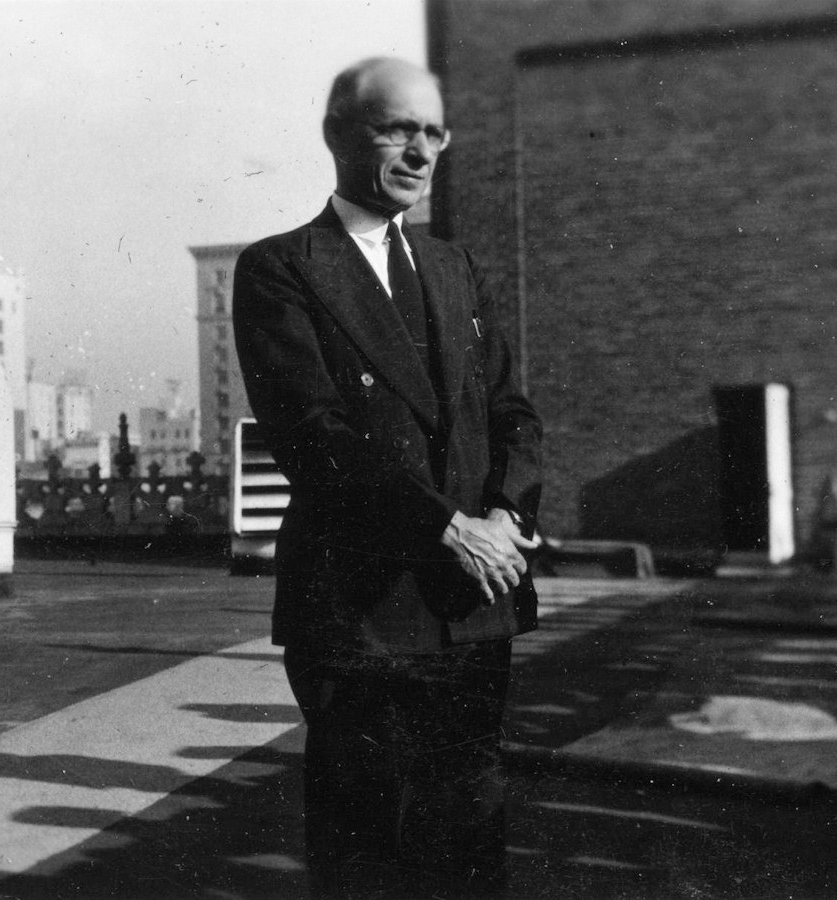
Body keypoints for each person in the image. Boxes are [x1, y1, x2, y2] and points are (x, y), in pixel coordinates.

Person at [232, 56, 543, 898]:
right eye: (398, 128)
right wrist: (449, 528)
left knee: (473, 841)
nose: (421, 152)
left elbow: (513, 414)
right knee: (369, 851)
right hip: (361, 614)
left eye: (434, 132)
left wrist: (507, 518)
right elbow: (315, 436)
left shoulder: (456, 268)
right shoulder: (281, 269)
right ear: (338, 133)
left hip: (475, 608)